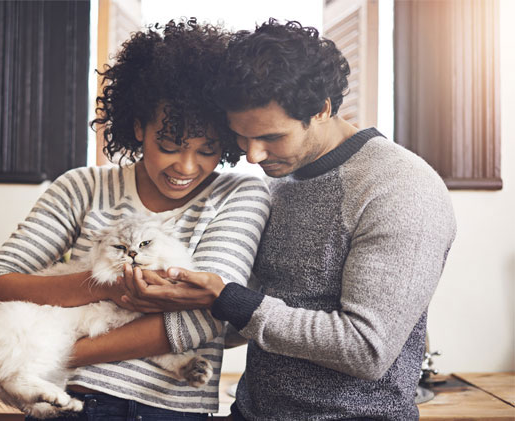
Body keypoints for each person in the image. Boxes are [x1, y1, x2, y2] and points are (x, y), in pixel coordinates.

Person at [118, 19, 457, 420]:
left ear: (322, 109)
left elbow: (367, 350)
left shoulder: (401, 188)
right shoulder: (276, 184)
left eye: (271, 138)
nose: (253, 157)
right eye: (241, 136)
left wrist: (226, 299)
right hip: (249, 411)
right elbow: (258, 320)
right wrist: (166, 302)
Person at [0, 19, 271, 419]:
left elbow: (206, 318)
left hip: (168, 408)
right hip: (75, 403)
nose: (186, 165)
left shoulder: (239, 195)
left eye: (208, 149)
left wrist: (42, 354)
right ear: (137, 128)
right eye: (169, 145)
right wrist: (105, 288)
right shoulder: (81, 187)